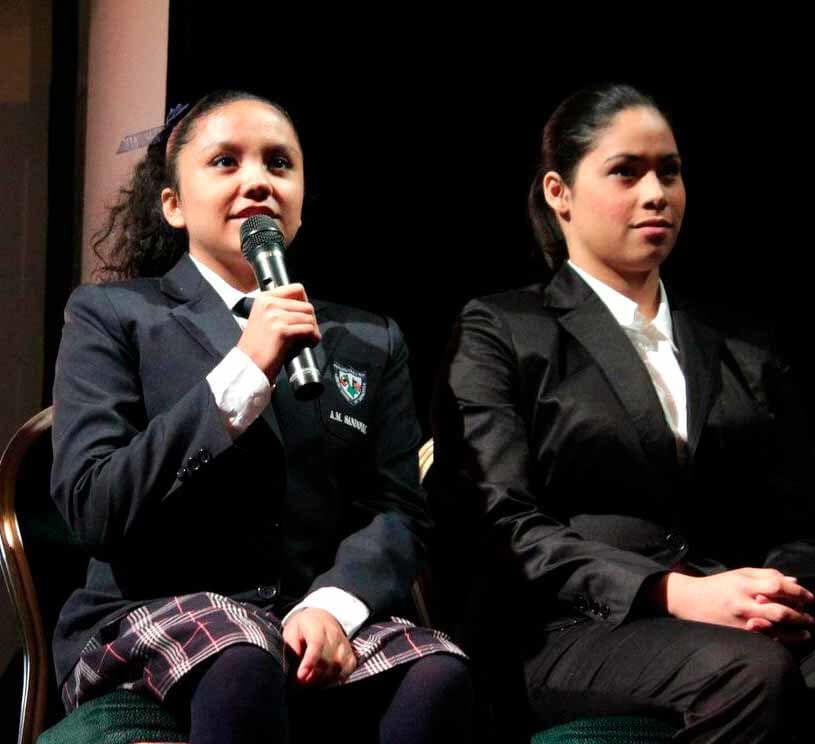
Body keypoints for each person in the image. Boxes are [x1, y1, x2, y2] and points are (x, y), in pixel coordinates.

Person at [51, 89, 471, 744]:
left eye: (279, 164)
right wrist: (244, 368)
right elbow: (92, 504)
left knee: (436, 669)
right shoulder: (113, 317)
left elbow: (395, 512)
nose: (257, 181)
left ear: (299, 199)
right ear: (173, 203)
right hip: (146, 613)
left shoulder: (367, 338)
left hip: (298, 612)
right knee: (241, 652)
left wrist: (332, 605)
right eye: (225, 162)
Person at [433, 83, 815, 743]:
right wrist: (673, 593)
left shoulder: (736, 342)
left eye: (668, 171)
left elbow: (794, 510)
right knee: (749, 672)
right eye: (624, 172)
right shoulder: (504, 328)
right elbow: (498, 521)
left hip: (727, 612)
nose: (655, 193)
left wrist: (779, 590)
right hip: (567, 628)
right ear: (559, 193)